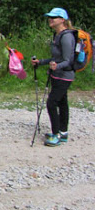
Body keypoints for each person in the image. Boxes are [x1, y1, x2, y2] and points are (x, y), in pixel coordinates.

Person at [31, 8, 75, 147]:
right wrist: (41, 62)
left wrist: (57, 66)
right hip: (58, 75)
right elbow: (56, 58)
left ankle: (56, 134)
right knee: (62, 102)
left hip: (65, 76)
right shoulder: (57, 35)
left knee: (51, 103)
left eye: (54, 17)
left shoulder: (66, 36)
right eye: (49, 16)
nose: (51, 19)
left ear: (62, 20)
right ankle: (63, 133)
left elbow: (68, 60)